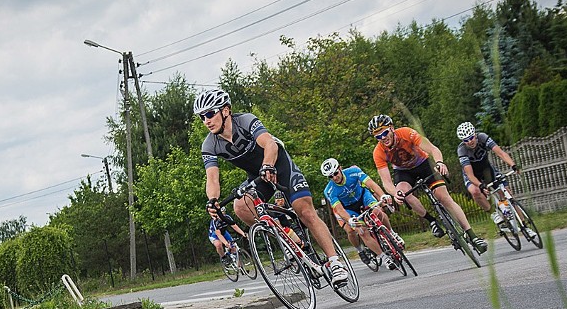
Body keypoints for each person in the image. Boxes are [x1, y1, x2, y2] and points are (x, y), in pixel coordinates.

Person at [196, 88, 350, 287]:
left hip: (280, 166)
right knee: (240, 206)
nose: (206, 120)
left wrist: (268, 165)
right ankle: (287, 238)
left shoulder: (245, 121)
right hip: (257, 177)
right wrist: (213, 201)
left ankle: (335, 262)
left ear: (225, 110)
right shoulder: (209, 145)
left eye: (210, 113)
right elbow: (212, 178)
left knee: (304, 211)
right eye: (202, 116)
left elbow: (270, 144)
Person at [368, 114, 488, 253]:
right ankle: (431, 220)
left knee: (444, 198)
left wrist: (439, 163)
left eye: (385, 132)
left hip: (424, 164)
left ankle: (472, 235)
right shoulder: (378, 152)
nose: (383, 138)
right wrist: (395, 194)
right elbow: (386, 182)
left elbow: (433, 149)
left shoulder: (406, 133)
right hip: (403, 172)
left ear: (392, 128)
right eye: (378, 136)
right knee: (403, 193)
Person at [320, 158, 402, 270]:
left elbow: (371, 184)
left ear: (340, 168)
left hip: (363, 197)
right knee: (360, 231)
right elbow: (339, 209)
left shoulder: (353, 171)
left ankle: (392, 233)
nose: (334, 177)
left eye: (335, 173)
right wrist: (349, 220)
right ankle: (380, 256)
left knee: (378, 212)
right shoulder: (329, 190)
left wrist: (382, 195)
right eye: (330, 177)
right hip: (347, 208)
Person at [456, 122, 524, 231]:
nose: (470, 141)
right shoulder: (462, 150)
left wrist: (513, 165)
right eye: (466, 140)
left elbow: (501, 153)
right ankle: (493, 214)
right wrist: (480, 185)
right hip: (473, 175)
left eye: (471, 137)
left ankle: (524, 224)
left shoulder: (483, 138)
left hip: (487, 170)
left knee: (507, 193)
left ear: (475, 134)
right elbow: (470, 175)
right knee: (475, 191)